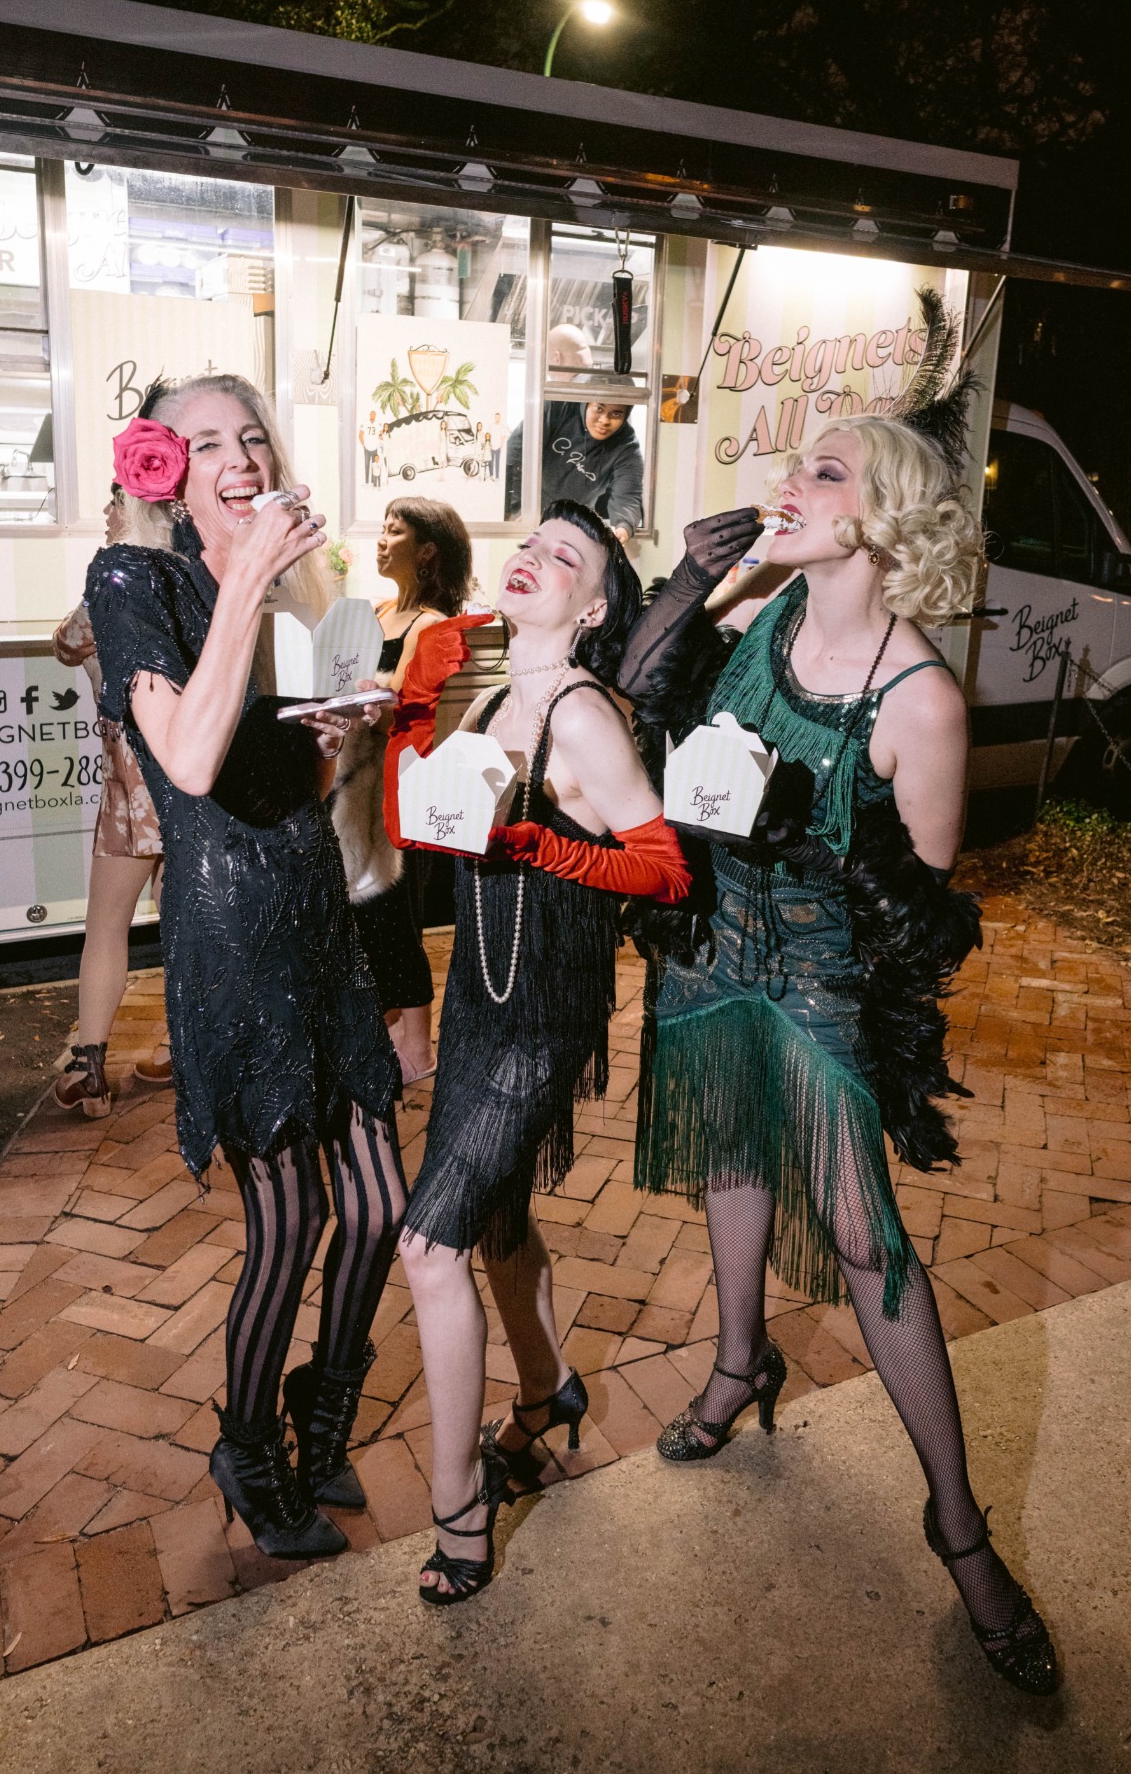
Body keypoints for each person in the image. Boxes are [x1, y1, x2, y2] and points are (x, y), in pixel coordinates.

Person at [620, 411, 1059, 1696]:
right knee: (728, 1155)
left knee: (868, 1240)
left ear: (885, 516)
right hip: (710, 950)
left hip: (815, 979)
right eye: (792, 466)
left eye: (824, 473)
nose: (787, 485)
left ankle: (962, 1532)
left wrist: (806, 836)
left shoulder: (919, 696)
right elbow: (644, 681)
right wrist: (702, 577)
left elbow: (928, 918)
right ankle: (737, 1363)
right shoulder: (766, 618)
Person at [85, 373, 405, 1561]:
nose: (238, 454)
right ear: (164, 467)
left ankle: (327, 1422)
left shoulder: (299, 592)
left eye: (252, 433)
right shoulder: (136, 581)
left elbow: (299, 778)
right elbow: (192, 761)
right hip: (232, 933)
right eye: (204, 438)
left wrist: (340, 736)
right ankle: (249, 1442)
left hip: (318, 911)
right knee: (296, 1214)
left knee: (376, 1206)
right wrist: (247, 581)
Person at [387, 500, 690, 1605]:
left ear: (596, 603)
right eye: (528, 546)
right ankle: (548, 1390)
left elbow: (662, 869)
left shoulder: (580, 715)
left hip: (544, 1012)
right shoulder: (489, 692)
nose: (534, 560)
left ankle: (459, 1502)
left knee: (431, 1247)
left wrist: (541, 845)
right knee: (500, 1221)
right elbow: (441, 832)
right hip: (479, 997)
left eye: (565, 557)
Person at [331, 497, 474, 1083]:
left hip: (393, 789)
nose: (381, 540)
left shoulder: (430, 624)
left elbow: (415, 708)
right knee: (362, 915)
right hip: (349, 785)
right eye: (382, 529)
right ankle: (385, 1027)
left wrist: (374, 694)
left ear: (427, 550)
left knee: (394, 921)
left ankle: (417, 1048)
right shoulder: (379, 609)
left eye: (395, 531)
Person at [52, 485, 169, 1117]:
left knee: (107, 924)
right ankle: (188, 1048)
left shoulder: (113, 583)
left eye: (115, 500)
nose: (104, 512)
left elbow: (68, 643)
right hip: (194, 768)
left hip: (132, 774)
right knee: (183, 917)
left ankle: (91, 1069)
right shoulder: (191, 579)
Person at [504, 401, 643, 542]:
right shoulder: (557, 408)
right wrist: (514, 508)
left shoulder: (627, 446)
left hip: (573, 520)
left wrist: (623, 528)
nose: (605, 420)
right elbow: (514, 454)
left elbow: (628, 495)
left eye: (616, 414)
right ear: (587, 403)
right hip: (527, 508)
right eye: (599, 408)